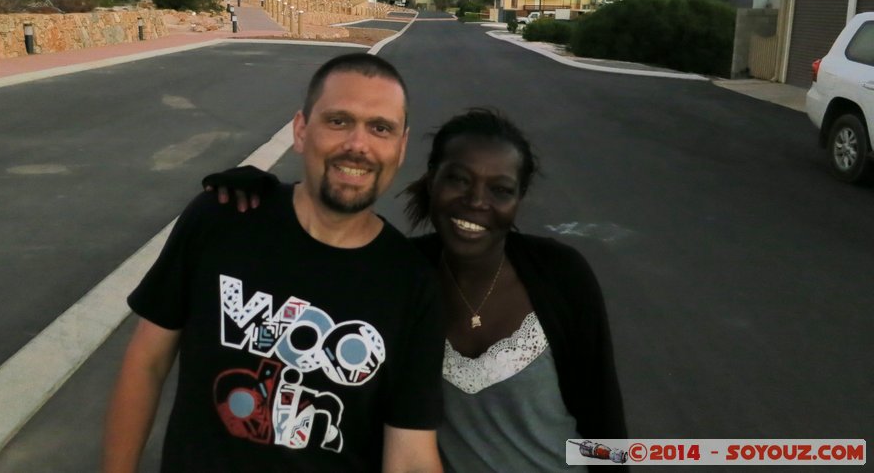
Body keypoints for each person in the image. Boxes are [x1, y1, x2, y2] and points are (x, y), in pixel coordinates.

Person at [208, 108, 625, 472]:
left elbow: (603, 423)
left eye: (500, 190)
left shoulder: (561, 277)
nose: (476, 201)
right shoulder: (397, 274)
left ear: (518, 200)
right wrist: (267, 200)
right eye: (458, 180)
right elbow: (310, 274)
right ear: (431, 181)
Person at [103, 53, 445, 473]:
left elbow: (410, 452)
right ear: (301, 130)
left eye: (380, 128)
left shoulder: (412, 284)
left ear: (401, 146)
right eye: (338, 121)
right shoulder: (221, 218)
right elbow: (146, 362)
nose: (358, 145)